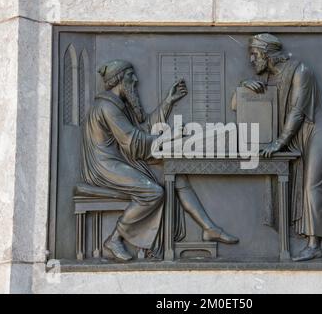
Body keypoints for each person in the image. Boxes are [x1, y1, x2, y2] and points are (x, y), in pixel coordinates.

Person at [81, 60, 238, 261]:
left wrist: (168, 102)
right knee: (153, 191)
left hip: (121, 159)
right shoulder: (107, 107)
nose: (136, 80)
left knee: (176, 175)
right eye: (131, 75)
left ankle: (210, 229)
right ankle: (115, 239)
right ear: (120, 79)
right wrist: (169, 136)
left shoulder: (118, 105)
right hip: (105, 166)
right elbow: (134, 142)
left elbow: (143, 130)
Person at [240, 34, 322, 261]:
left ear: (266, 54)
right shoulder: (273, 78)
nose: (251, 61)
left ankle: (314, 245)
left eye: (254, 55)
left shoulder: (301, 71)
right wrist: (246, 85)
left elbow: (297, 111)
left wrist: (279, 143)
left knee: (313, 189)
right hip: (302, 138)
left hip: (321, 135)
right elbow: (263, 101)